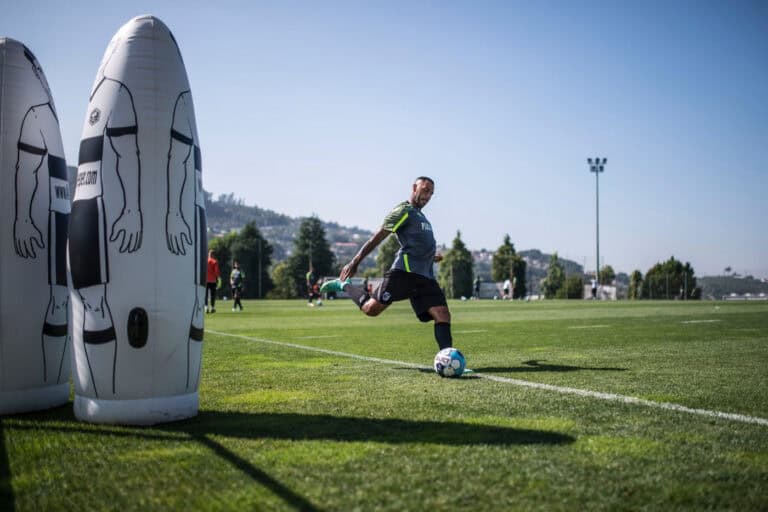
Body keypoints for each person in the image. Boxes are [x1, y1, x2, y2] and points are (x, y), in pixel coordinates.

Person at [321, 177, 454, 352]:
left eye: (431, 193)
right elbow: (378, 236)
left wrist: (430, 256)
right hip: (404, 273)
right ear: (414, 188)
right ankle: (344, 285)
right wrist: (355, 261)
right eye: (425, 190)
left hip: (426, 277)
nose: (428, 195)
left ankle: (447, 357)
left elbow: (417, 245)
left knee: (442, 314)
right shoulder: (403, 210)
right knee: (371, 309)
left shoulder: (422, 217)